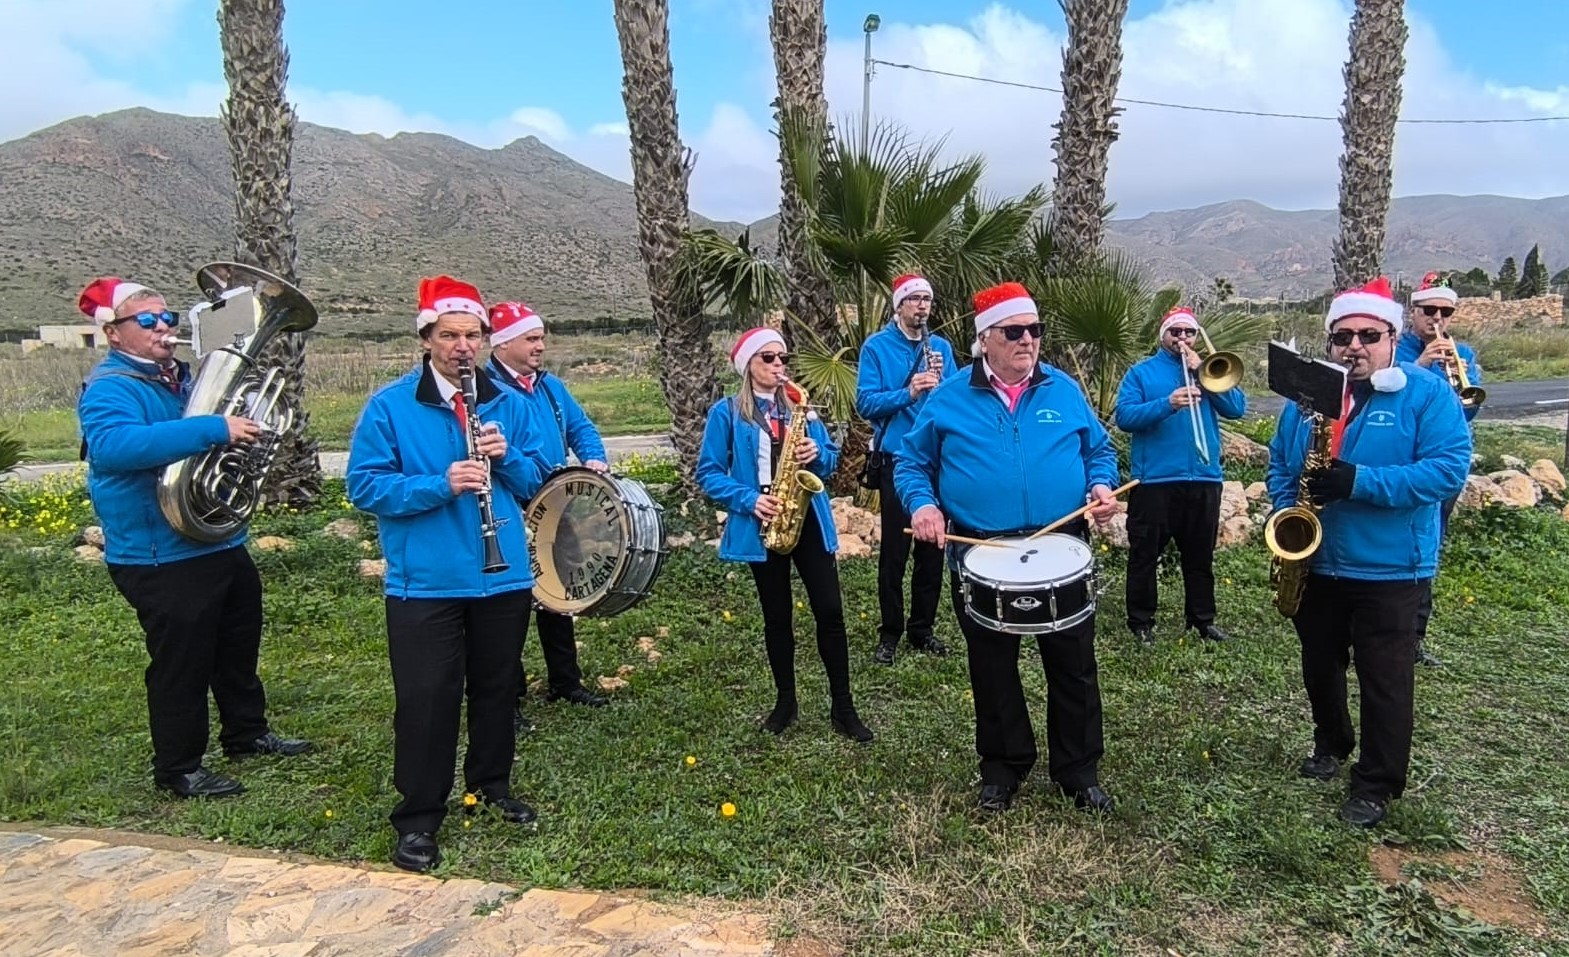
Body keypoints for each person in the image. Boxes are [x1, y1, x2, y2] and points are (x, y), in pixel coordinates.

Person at [75, 276, 311, 799]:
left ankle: (246, 734)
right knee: (182, 662)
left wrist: (238, 440)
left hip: (216, 538)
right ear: (113, 332)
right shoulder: (111, 387)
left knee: (236, 645)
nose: (163, 327)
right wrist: (215, 430)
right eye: (147, 320)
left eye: (168, 318)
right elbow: (114, 447)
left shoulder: (182, 380)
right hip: (158, 551)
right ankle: (179, 767)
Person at [347, 275, 552, 873]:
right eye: (448, 335)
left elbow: (541, 481)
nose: (462, 347)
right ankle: (418, 818)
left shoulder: (509, 402)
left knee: (496, 689)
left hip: (502, 576)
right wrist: (441, 484)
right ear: (426, 340)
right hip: (427, 582)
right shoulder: (390, 406)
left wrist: (508, 457)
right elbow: (365, 486)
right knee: (427, 699)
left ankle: (491, 784)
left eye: (472, 335)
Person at [897, 281, 1120, 814]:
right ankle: (1003, 767)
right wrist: (923, 506)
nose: (1028, 340)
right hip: (982, 551)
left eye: (1035, 330)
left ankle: (1078, 770)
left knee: (1074, 664)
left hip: (1061, 545)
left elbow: (1099, 450)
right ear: (984, 340)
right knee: (992, 667)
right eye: (1014, 331)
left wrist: (1101, 484)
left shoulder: (1063, 389)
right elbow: (911, 462)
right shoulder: (949, 397)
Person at [1267, 277, 1470, 828]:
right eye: (1343, 336)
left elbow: (1447, 471)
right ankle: (1331, 741)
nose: (1354, 346)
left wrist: (1359, 481)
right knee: (1320, 664)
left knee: (1386, 679)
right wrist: (1287, 512)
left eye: (1368, 335)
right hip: (1317, 560)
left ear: (1392, 338)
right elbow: (1281, 462)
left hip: (1391, 568)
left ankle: (1376, 784)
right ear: (1330, 341)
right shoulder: (1309, 398)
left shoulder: (1426, 394)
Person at [696, 327, 874, 743]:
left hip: (807, 515)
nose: (779, 365)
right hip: (764, 517)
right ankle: (785, 703)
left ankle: (843, 707)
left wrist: (818, 453)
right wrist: (749, 500)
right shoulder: (726, 412)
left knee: (830, 610)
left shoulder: (800, 408)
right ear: (748, 366)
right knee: (777, 617)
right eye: (769, 358)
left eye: (783, 358)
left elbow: (830, 461)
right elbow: (708, 473)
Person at [485, 301, 611, 712]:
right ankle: (510, 695)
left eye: (541, 338)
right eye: (531, 339)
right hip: (510, 505)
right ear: (503, 344)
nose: (540, 346)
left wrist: (594, 458)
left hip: (556, 502)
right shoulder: (485, 392)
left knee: (558, 592)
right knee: (511, 603)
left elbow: (581, 427)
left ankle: (565, 681)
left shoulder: (550, 387)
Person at [1114, 306, 1246, 646]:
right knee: (1145, 555)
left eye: (1189, 332)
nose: (1183, 338)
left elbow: (1236, 409)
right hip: (1155, 481)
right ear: (1164, 336)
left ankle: (1202, 620)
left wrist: (1203, 370)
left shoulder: (1208, 369)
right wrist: (1167, 404)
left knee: (1200, 556)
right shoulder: (1142, 373)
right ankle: (1141, 621)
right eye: (1176, 332)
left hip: (1204, 478)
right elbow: (1125, 417)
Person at [855, 273, 958, 665]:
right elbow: (865, 403)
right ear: (898, 306)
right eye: (914, 299)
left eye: (926, 300)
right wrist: (909, 392)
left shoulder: (941, 347)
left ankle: (922, 629)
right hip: (897, 460)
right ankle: (890, 632)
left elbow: (957, 402)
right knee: (895, 552)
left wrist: (943, 383)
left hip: (936, 460)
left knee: (933, 549)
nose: (922, 306)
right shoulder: (877, 347)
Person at [1397, 272, 1481, 668]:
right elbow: (1392, 394)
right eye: (1429, 310)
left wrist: (1457, 373)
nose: (1437, 319)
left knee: (1427, 547)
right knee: (1396, 545)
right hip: (1404, 462)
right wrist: (1422, 364)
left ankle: (1414, 637)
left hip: (1443, 465)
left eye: (1445, 312)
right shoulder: (1395, 351)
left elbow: (1469, 409)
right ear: (1413, 311)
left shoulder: (1462, 355)